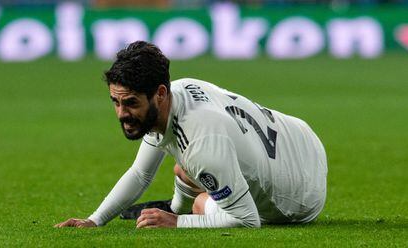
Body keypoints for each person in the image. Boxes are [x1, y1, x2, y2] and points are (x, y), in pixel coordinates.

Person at [55, 41, 327, 229]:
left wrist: (176, 223)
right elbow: (141, 173)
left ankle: (181, 209)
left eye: (131, 103)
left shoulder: (201, 144)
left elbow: (246, 220)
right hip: (301, 138)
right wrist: (95, 220)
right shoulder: (179, 91)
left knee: (200, 198)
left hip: (297, 199)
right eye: (116, 102)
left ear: (159, 94)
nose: (121, 113)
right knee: (185, 169)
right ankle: (176, 205)